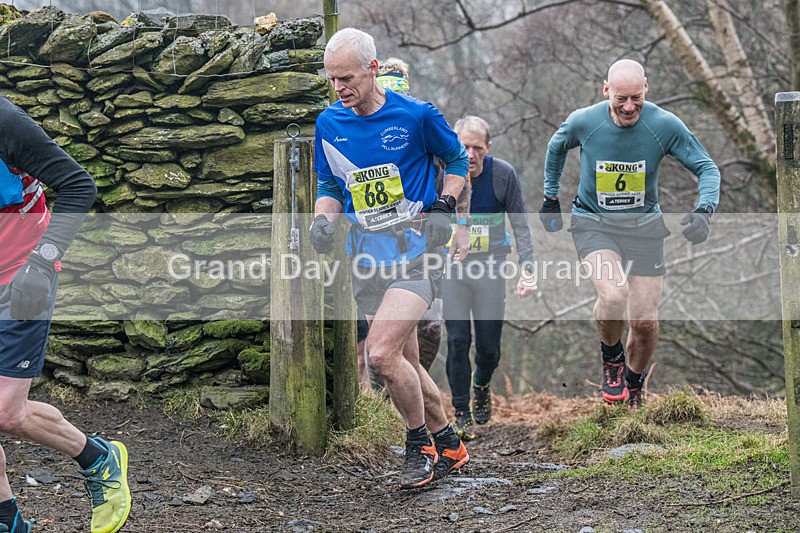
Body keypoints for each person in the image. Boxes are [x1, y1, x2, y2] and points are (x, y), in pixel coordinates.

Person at [311, 28, 470, 488]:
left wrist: (444, 205)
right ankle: (451, 444)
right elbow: (329, 185)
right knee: (407, 363)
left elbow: (457, 160)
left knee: (380, 355)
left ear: (373, 68)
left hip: (416, 255)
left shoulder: (417, 116)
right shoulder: (329, 123)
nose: (340, 88)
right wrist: (323, 221)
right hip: (366, 259)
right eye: (332, 79)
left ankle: (418, 446)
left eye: (347, 78)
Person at [539, 59, 720, 409]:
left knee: (646, 323)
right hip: (594, 223)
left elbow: (706, 167)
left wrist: (705, 210)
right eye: (620, 98)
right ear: (606, 91)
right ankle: (612, 358)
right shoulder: (584, 121)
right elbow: (555, 148)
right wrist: (550, 196)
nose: (628, 107)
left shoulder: (663, 125)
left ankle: (634, 383)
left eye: (636, 98)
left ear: (646, 89)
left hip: (644, 228)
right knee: (614, 294)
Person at [0, 97, 131, 532]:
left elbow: (79, 185)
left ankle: (98, 458)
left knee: (6, 413)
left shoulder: (6, 122)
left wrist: (42, 262)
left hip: (22, 276)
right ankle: (7, 521)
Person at [357, 57, 472, 391]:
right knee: (379, 345)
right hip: (376, 245)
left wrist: (457, 221)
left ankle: (411, 402)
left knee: (429, 329)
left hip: (425, 238)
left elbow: (459, 165)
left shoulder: (418, 119)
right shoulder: (359, 125)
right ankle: (383, 407)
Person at [443, 115, 536, 440]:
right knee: (457, 342)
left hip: (491, 269)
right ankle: (461, 412)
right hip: (452, 269)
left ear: (488, 148)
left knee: (488, 350)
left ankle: (481, 384)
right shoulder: (444, 174)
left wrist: (528, 268)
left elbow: (521, 225)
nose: (470, 154)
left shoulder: (502, 175)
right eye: (463, 146)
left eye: (477, 148)